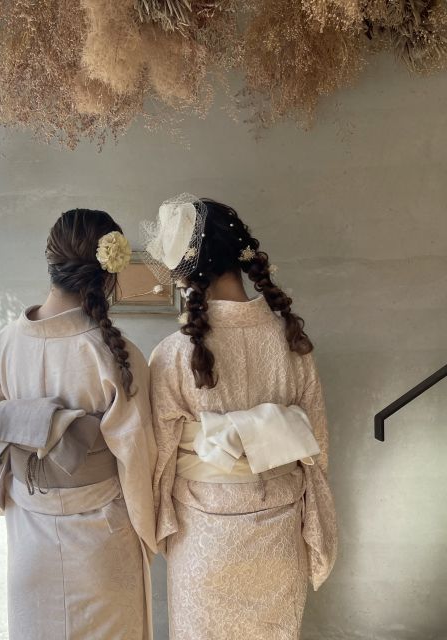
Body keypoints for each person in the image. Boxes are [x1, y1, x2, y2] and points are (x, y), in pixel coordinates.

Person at [145, 195, 337, 640]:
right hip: (279, 534)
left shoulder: (173, 353)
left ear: (189, 271)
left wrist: (157, 526)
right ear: (238, 255)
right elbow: (317, 447)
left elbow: (159, 460)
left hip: (203, 536)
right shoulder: (292, 343)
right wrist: (316, 523)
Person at [0, 209, 157, 640]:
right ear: (108, 272)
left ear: (50, 258)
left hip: (29, 532)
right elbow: (137, 459)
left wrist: (11, 501)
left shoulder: (4, 345)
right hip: (102, 540)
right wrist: (148, 536)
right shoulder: (115, 353)